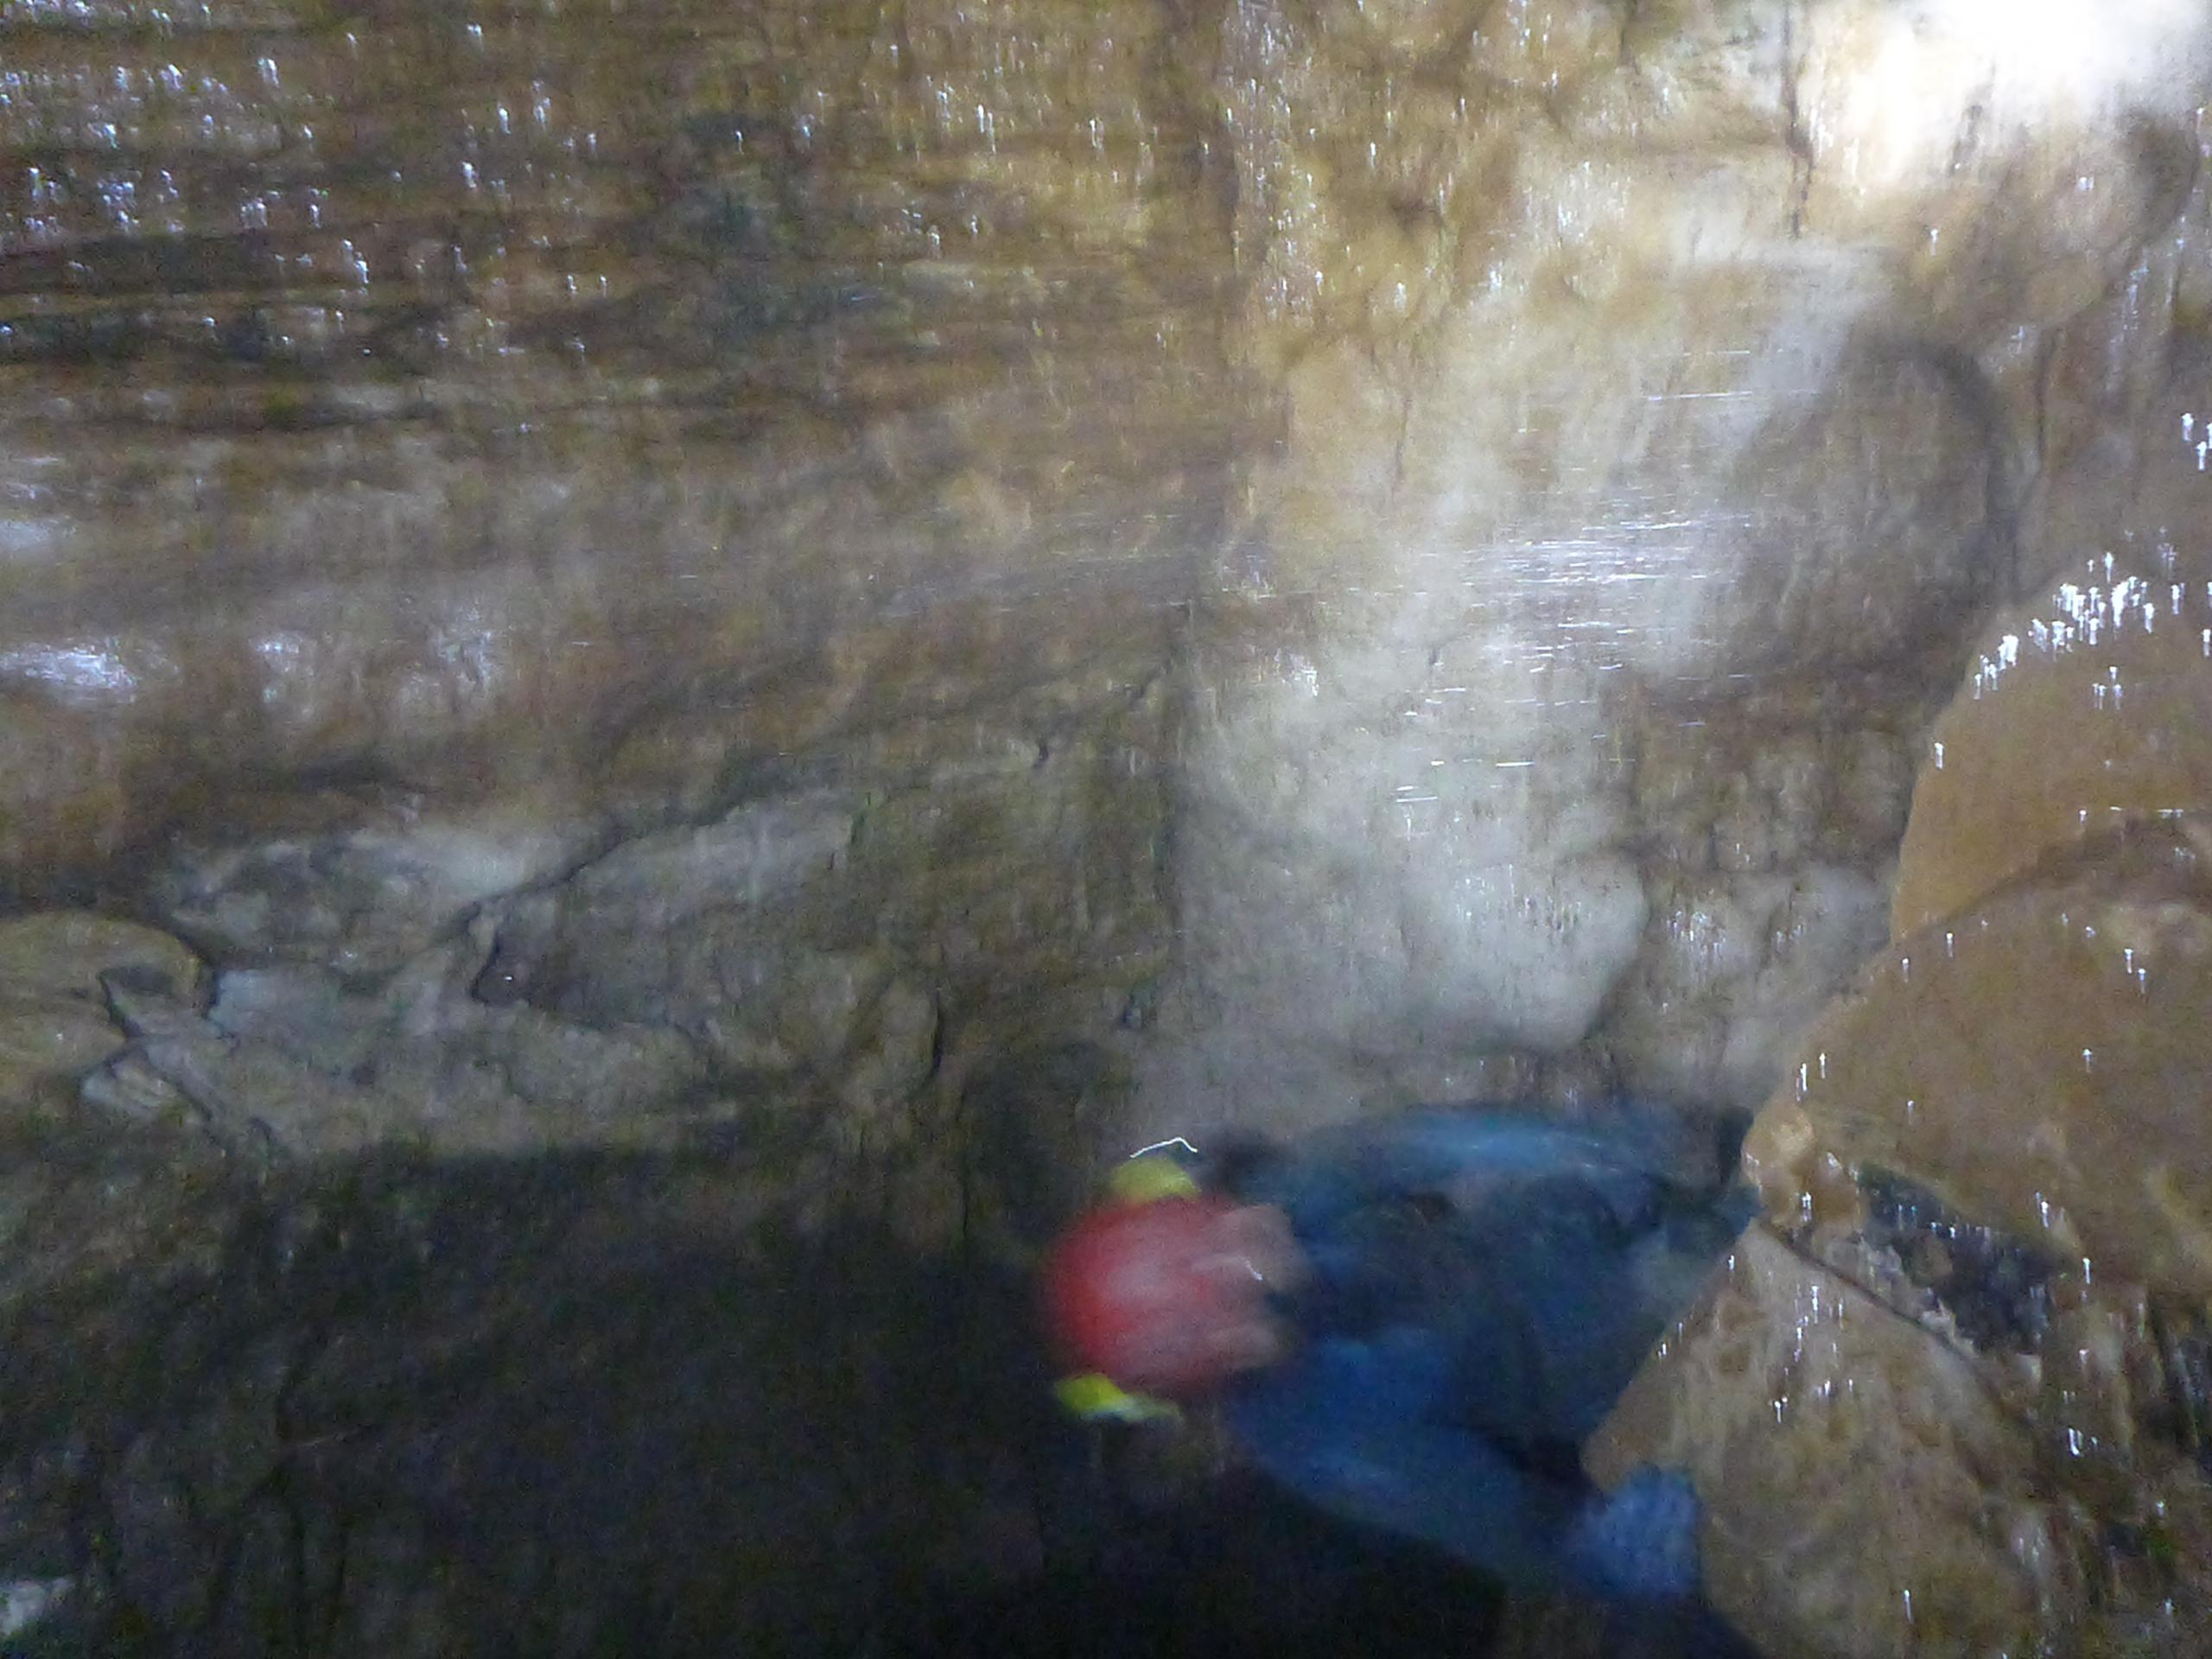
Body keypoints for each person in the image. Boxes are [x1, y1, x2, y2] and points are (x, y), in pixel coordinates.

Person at [1039, 1108, 1762, 1652]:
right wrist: (1607, 1557)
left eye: (1215, 1224)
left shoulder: (1281, 1200)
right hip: (1572, 1365)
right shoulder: (1321, 1434)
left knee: (1706, 1211)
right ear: (1230, 1351)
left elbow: (1426, 1145)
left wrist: (1601, 1145)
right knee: (1711, 1287)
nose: (1254, 1224)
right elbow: (1504, 1523)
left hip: (1530, 1237)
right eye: (1233, 1273)